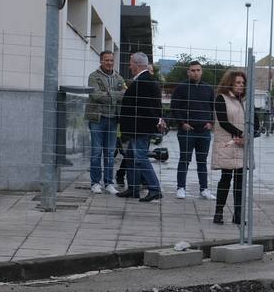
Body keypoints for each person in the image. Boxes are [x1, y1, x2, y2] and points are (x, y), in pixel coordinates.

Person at [116, 51, 165, 202]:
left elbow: (147, 107)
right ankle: (133, 188)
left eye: (131, 63)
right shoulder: (147, 80)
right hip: (139, 126)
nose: (129, 66)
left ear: (137, 65)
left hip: (140, 128)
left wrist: (155, 121)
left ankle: (155, 188)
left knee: (140, 157)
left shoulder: (143, 82)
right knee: (131, 156)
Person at [170, 62, 216, 200]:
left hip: (204, 131)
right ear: (188, 72)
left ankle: (204, 189)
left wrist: (211, 122)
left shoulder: (208, 88)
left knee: (202, 161)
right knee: (184, 159)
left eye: (198, 70)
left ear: (202, 72)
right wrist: (182, 123)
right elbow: (174, 107)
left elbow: (213, 107)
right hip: (187, 131)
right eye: (193, 70)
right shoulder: (181, 88)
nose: (196, 72)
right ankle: (181, 188)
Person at [211, 69, 247, 225]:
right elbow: (223, 122)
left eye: (243, 83)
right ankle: (218, 212)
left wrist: (248, 134)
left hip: (240, 145)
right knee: (226, 178)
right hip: (227, 143)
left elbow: (254, 120)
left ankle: (238, 213)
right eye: (238, 83)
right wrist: (240, 134)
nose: (241, 86)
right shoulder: (221, 99)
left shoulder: (243, 101)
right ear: (230, 83)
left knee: (240, 180)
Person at [86, 50, 125, 194]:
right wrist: (116, 94)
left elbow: (124, 94)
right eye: (106, 60)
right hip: (97, 118)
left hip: (113, 119)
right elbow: (96, 95)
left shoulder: (119, 78)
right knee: (96, 152)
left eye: (111, 60)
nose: (109, 63)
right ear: (101, 61)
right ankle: (95, 183)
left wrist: (108, 94)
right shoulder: (93, 76)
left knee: (110, 152)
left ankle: (109, 183)